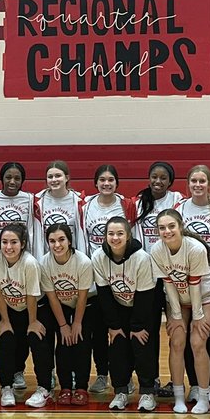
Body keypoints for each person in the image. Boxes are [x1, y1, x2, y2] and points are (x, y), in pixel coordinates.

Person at [149, 209, 210, 415]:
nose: (167, 231)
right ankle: (178, 396)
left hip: (203, 297)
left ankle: (203, 396)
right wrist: (177, 316)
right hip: (177, 298)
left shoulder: (195, 248)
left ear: (180, 227)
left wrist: (197, 316)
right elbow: (168, 284)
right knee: (176, 341)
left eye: (171, 226)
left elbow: (195, 285)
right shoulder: (156, 250)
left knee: (197, 342)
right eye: (162, 228)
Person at [127, 161, 183, 397]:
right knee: (147, 332)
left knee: (176, 331)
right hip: (146, 278)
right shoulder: (137, 203)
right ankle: (150, 380)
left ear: (170, 181)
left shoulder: (178, 200)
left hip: (172, 274)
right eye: (154, 177)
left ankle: (177, 381)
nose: (157, 182)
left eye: (163, 178)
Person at [176, 164, 210, 405]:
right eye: (194, 181)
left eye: (202, 181)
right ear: (188, 184)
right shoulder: (178, 209)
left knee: (209, 336)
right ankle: (194, 385)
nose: (198, 185)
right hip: (183, 284)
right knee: (185, 337)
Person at [91, 217, 156, 412]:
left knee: (142, 344)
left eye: (120, 233)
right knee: (118, 346)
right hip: (117, 306)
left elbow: (145, 297)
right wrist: (114, 326)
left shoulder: (142, 258)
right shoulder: (98, 257)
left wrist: (137, 327)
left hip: (143, 307)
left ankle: (147, 392)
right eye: (111, 233)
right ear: (105, 237)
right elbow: (104, 294)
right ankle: (120, 390)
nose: (115, 237)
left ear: (128, 236)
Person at [0, 222, 44, 408]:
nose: (8, 247)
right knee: (6, 340)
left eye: (14, 242)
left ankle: (22, 373)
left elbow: (31, 295)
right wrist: (5, 320)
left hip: (28, 308)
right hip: (5, 308)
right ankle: (6, 386)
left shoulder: (30, 263)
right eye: (5, 242)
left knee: (28, 340)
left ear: (23, 244)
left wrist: (32, 322)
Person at [38, 222, 93, 405]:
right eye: (52, 241)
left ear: (69, 241)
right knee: (63, 343)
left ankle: (82, 387)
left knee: (81, 341)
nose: (57, 245)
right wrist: (63, 326)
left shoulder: (83, 262)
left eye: (61, 239)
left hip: (81, 305)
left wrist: (76, 323)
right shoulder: (44, 262)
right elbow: (52, 297)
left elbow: (83, 296)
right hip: (58, 306)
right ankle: (65, 387)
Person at [81, 164, 124, 394]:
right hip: (94, 276)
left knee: (120, 330)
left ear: (117, 182)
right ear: (95, 183)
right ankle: (101, 375)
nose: (106, 183)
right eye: (102, 180)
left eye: (111, 179)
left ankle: (126, 376)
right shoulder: (85, 206)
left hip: (121, 275)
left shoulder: (126, 205)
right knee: (97, 331)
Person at [0, 161, 34, 238]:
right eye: (8, 177)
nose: (12, 182)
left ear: (22, 181)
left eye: (17, 178)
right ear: (2, 178)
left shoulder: (30, 199)